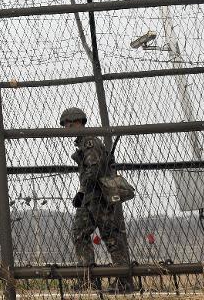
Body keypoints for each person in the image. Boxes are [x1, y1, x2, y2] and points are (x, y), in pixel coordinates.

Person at [61, 107, 134, 293]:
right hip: (93, 197)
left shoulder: (89, 142)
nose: (66, 127)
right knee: (89, 234)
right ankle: (92, 279)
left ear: (76, 122)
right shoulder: (87, 142)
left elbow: (93, 170)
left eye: (68, 123)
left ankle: (119, 280)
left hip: (96, 197)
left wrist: (83, 191)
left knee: (106, 236)